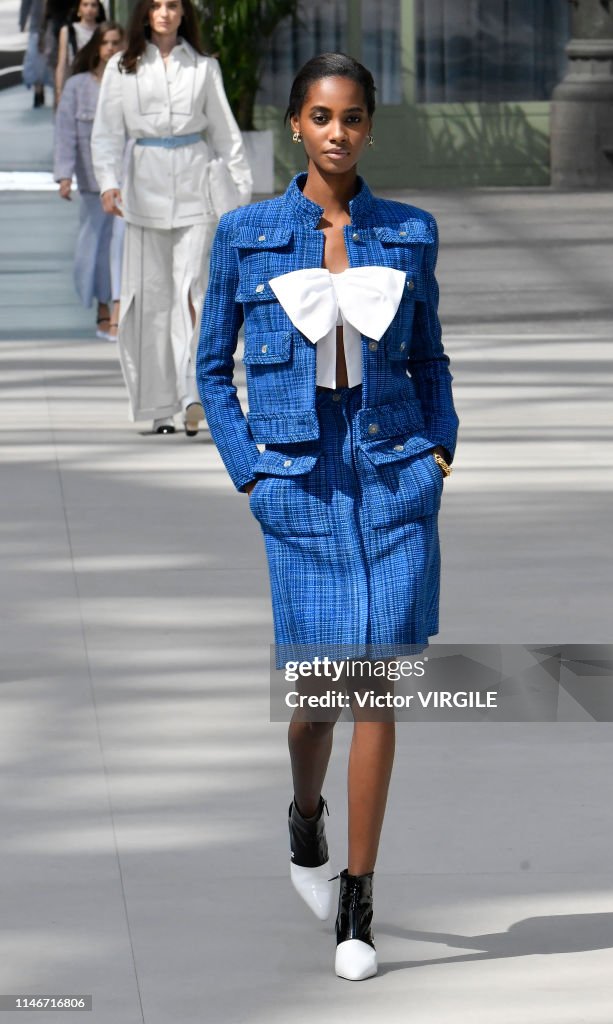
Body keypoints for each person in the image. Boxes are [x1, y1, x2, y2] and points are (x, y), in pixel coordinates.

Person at [196, 53, 459, 980]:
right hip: (299, 487)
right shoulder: (247, 234)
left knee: (378, 681)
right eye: (320, 116)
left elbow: (431, 359)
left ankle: (360, 895)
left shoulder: (410, 233)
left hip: (392, 480)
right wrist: (250, 476)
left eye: (351, 117)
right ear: (296, 126)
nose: (336, 132)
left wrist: (440, 451)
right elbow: (209, 373)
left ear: (369, 127)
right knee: (316, 699)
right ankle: (305, 816)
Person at [91, 0, 252, 436]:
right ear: (145, 13)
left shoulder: (203, 68)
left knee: (195, 295)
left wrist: (240, 195)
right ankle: (159, 405)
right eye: (157, 5)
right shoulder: (121, 69)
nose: (164, 12)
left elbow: (226, 134)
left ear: (184, 14)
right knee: (150, 302)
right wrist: (108, 181)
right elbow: (106, 132)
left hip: (196, 191)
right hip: (142, 194)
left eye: (173, 5)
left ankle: (191, 391)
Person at [54, 21, 124, 337]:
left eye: (117, 43)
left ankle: (119, 308)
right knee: (96, 245)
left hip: (127, 179)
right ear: (97, 46)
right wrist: (64, 175)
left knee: (123, 245)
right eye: (107, 42)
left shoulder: (130, 83)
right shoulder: (78, 86)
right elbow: (65, 132)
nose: (112, 49)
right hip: (92, 180)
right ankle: (103, 305)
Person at [54, 0, 105, 106]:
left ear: (99, 9)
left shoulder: (104, 31)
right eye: (85, 5)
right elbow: (62, 62)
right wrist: (59, 92)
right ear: (79, 9)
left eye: (93, 5)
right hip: (77, 81)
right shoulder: (69, 30)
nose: (89, 9)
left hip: (101, 81)